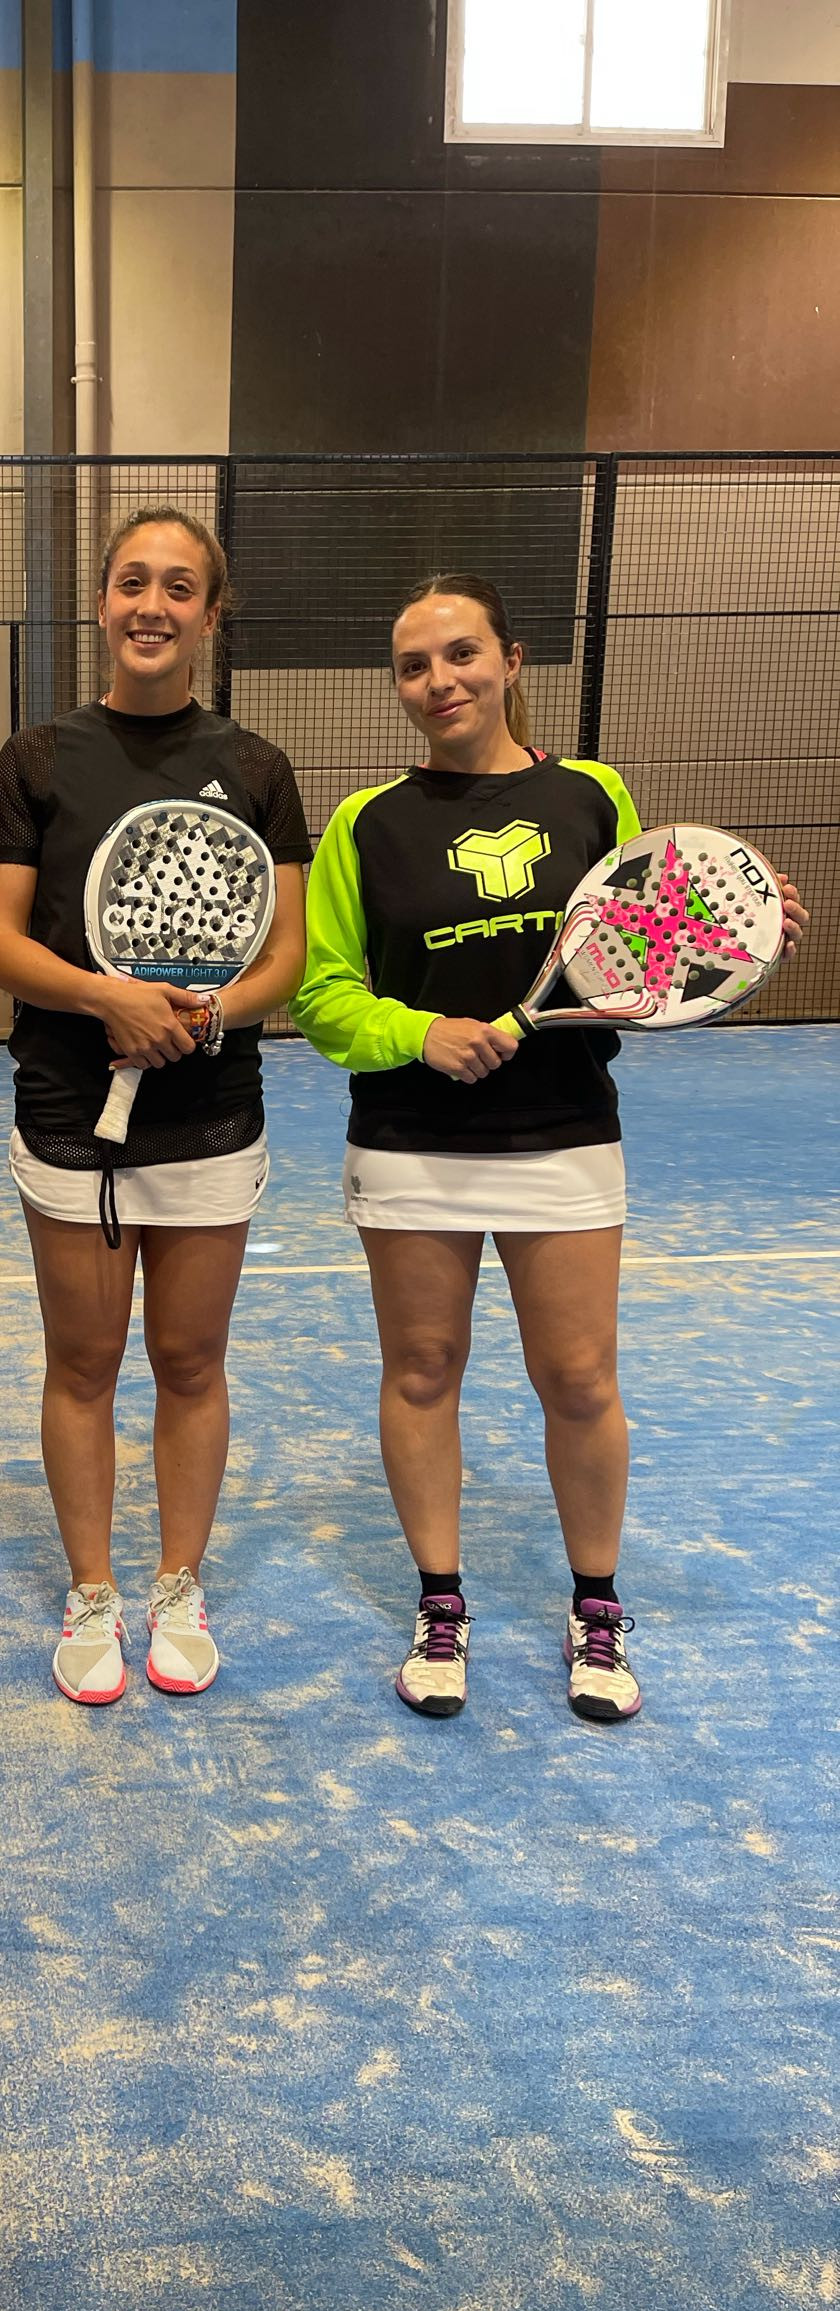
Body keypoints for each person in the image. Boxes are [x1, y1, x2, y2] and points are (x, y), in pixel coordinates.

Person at [291, 572, 809, 1723]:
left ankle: (597, 1606)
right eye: (415, 666)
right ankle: (440, 1602)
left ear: (512, 660)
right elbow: (324, 997)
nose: (440, 681)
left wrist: (738, 916)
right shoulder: (366, 825)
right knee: (422, 1371)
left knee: (578, 1379)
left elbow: (648, 929)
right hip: (412, 1144)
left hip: (564, 1135)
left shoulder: (591, 794)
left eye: (462, 654)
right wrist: (421, 1034)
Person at [0, 507, 311, 1705]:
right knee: (83, 1361)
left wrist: (206, 1019)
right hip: (72, 1114)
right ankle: (91, 1592)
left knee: (189, 1359)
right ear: (102, 602)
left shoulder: (259, 769)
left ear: (211, 614)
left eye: (178, 587)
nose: (151, 605)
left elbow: (282, 957)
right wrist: (106, 998)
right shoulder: (37, 759)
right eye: (131, 582)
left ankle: (177, 1585)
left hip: (211, 1118)